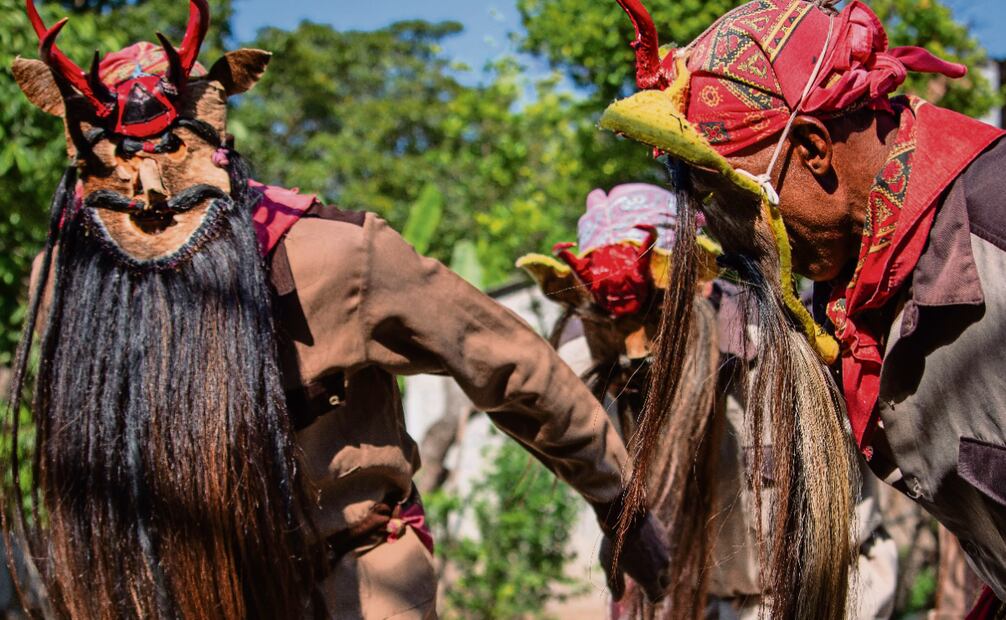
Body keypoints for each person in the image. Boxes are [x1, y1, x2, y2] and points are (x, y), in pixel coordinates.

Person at [5, 1, 670, 617]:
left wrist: (621, 507)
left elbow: (511, 364)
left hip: (352, 592)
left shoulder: (331, 254)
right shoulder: (68, 282)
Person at [599, 0, 1006, 617]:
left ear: (813, 148)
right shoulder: (852, 286)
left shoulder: (994, 233)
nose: (721, 230)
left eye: (730, 195)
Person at [519, 183, 897, 619]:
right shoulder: (589, 357)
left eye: (651, 313)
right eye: (610, 317)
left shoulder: (774, 351)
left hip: (815, 599)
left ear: (691, 288)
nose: (635, 338)